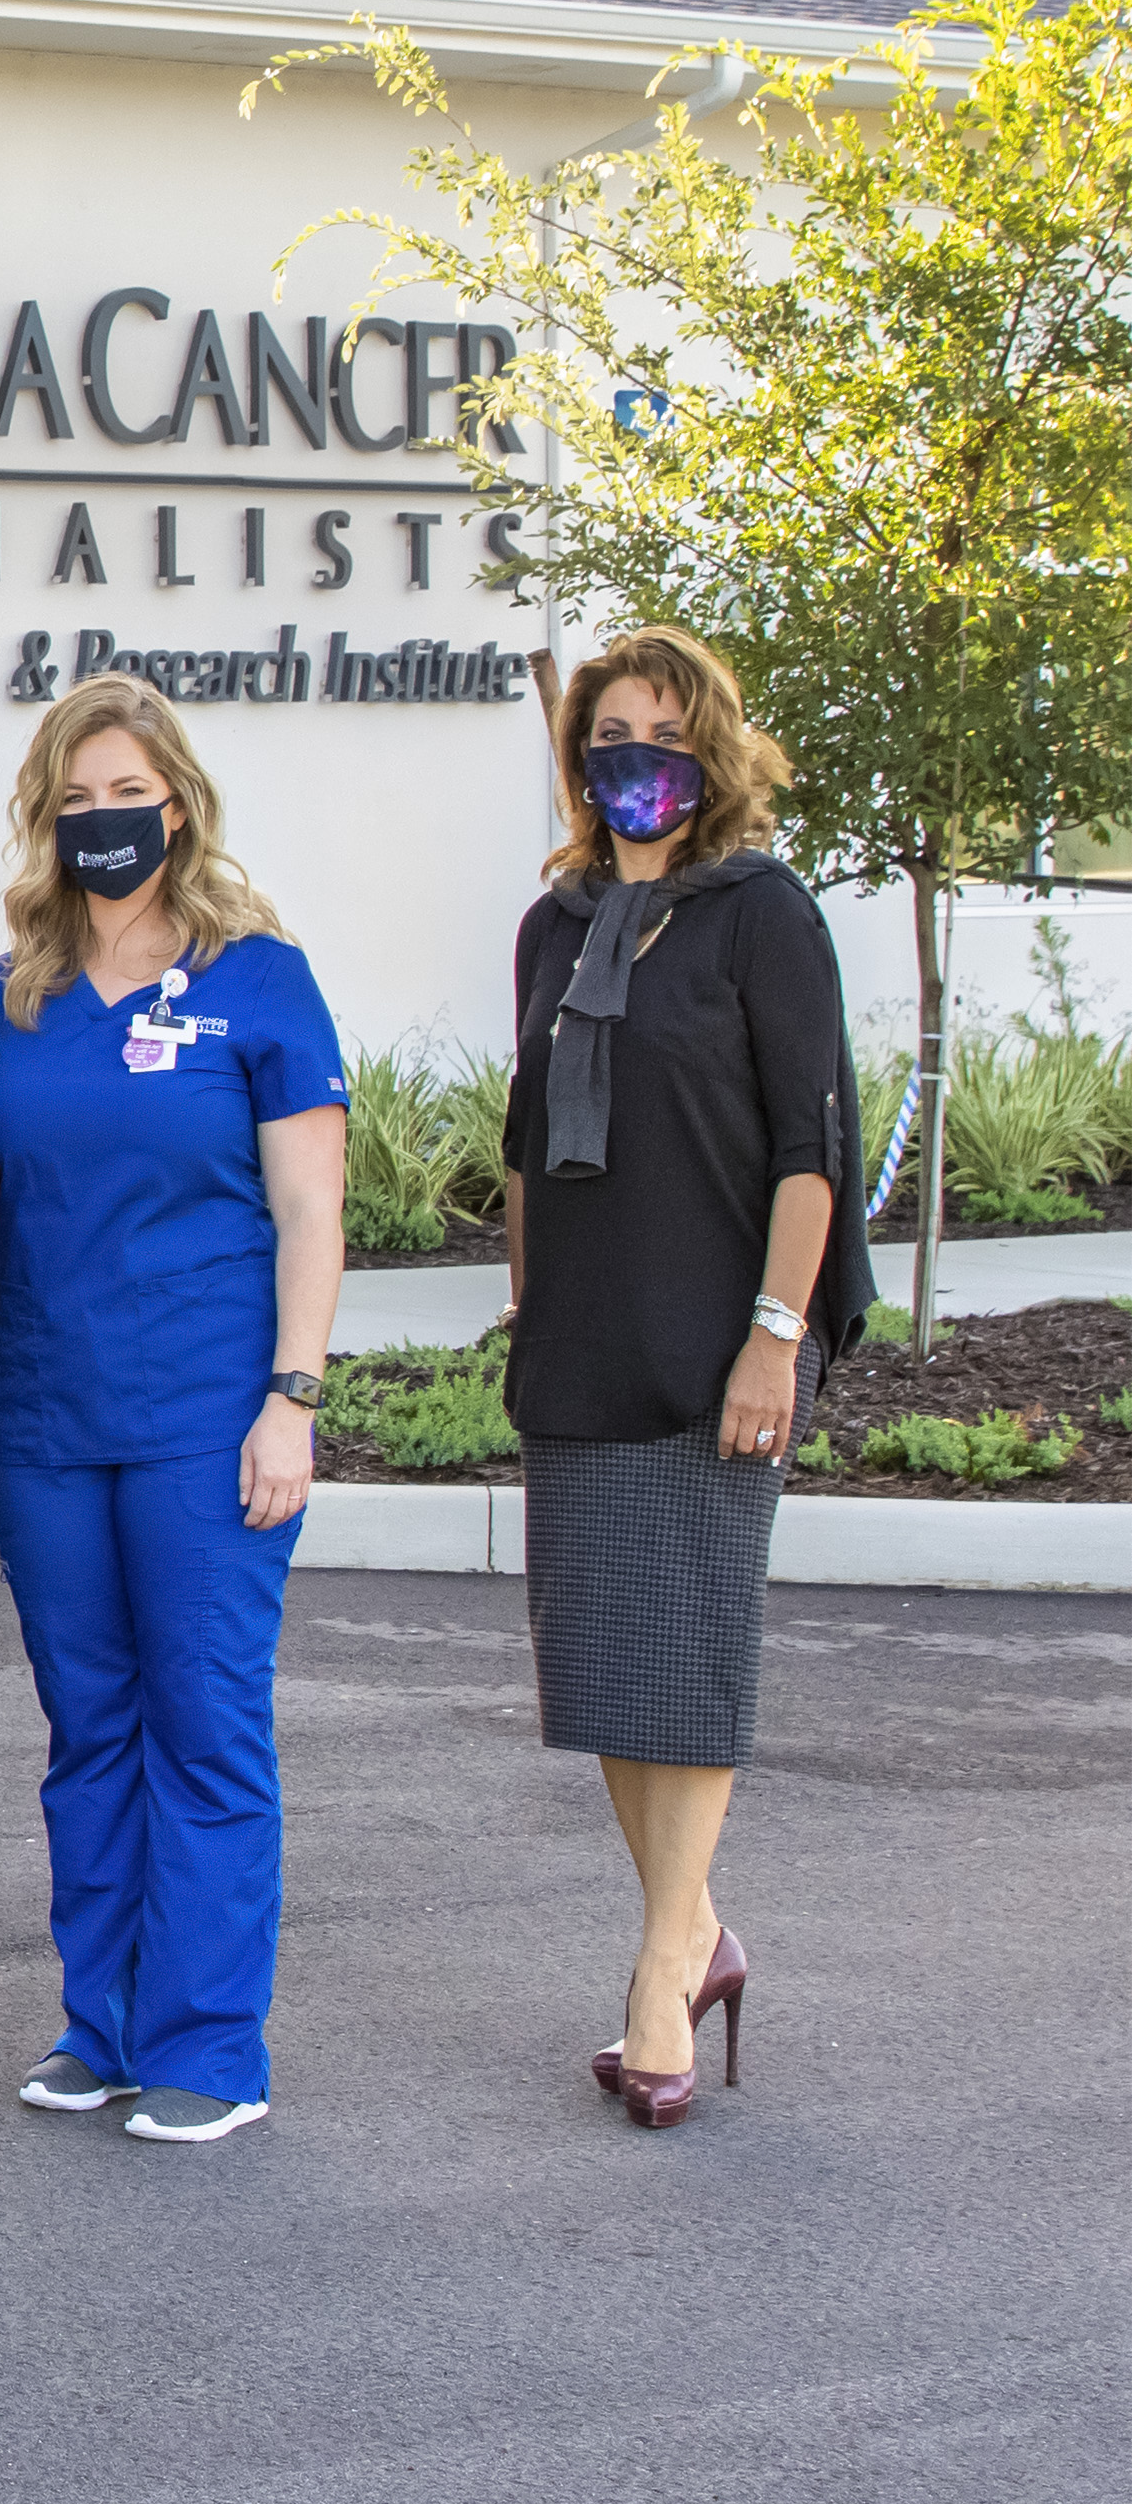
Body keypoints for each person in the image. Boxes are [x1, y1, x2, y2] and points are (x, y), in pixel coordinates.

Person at [0, 678, 345, 2148]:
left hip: (205, 1412)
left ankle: (208, 2045)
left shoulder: (257, 980)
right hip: (44, 1413)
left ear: (178, 802)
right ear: (47, 816)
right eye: (78, 798)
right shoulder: (12, 995)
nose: (105, 821)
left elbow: (310, 1210)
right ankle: (100, 2026)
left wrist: (290, 1399)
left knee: (204, 1724)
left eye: (130, 794)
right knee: (87, 1727)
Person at [505, 625, 854, 2134]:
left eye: (660, 732)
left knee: (692, 1651)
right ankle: (700, 1931)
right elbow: (528, 1134)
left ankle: (660, 1976)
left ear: (708, 751)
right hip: (582, 1331)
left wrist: (776, 1330)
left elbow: (809, 1144)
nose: (631, 758)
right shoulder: (557, 920)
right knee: (610, 1669)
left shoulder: (760, 913)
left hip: (722, 1334)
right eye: (607, 734)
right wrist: (526, 1302)